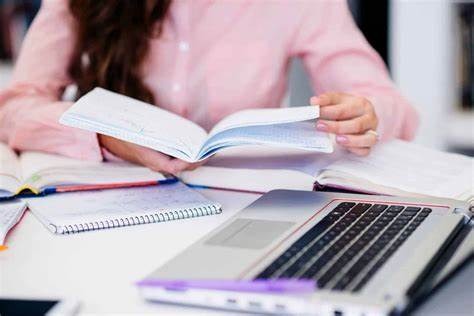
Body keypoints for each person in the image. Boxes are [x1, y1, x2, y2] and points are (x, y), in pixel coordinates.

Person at [0, 0, 418, 174]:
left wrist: (366, 114)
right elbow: (15, 107)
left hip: (241, 212)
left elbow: (387, 102)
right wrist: (105, 135)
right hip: (103, 211)